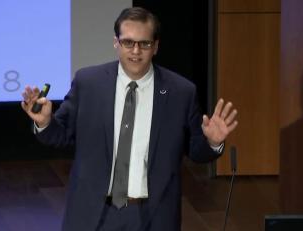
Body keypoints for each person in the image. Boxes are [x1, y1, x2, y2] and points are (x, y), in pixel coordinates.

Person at [21, 7, 238, 231]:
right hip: (92, 214)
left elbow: (196, 151)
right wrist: (45, 122)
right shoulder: (88, 83)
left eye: (144, 43)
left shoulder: (180, 92)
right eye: (128, 42)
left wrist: (212, 142)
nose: (136, 51)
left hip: (153, 217)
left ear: (155, 46)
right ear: (116, 43)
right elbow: (62, 135)